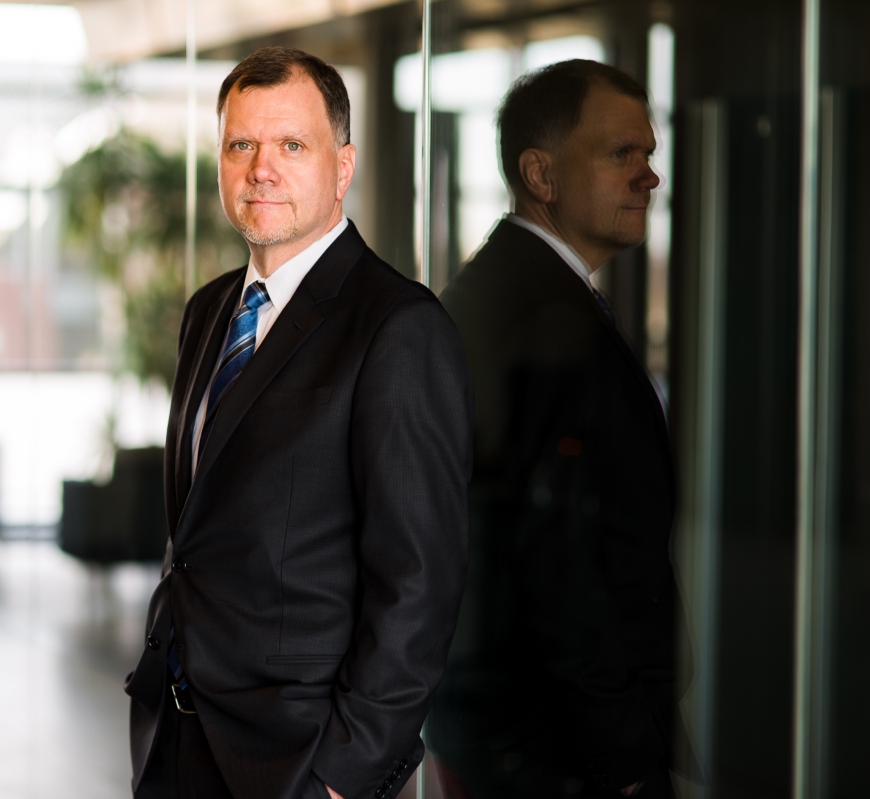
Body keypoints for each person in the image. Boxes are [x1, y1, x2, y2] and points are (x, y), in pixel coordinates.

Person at [123, 46, 473, 799]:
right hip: (176, 741)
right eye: (241, 144)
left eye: (291, 145)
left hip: (298, 762)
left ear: (342, 167)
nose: (261, 169)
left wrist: (341, 778)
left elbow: (418, 583)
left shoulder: (397, 327)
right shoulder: (210, 311)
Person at [429, 60, 686, 799]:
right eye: (620, 155)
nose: (649, 177)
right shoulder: (542, 320)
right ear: (540, 175)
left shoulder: (505, 291)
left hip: (510, 731)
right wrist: (627, 759)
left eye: (649, 154)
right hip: (556, 750)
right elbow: (555, 568)